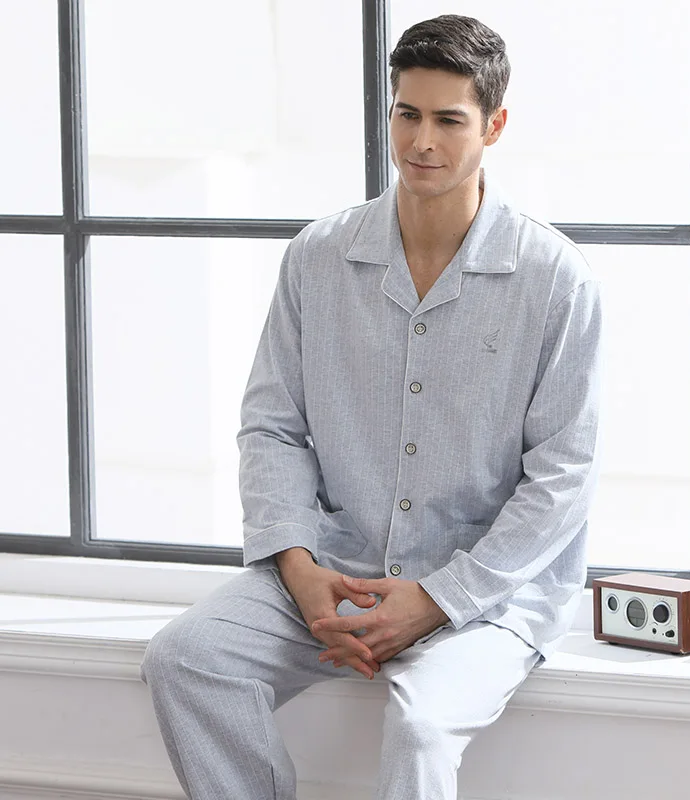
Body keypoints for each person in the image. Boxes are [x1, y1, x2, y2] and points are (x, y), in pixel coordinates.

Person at [141, 14, 602, 800]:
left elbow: (563, 479)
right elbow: (272, 428)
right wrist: (300, 571)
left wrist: (437, 599)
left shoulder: (555, 279)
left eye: (448, 120)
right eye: (406, 114)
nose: (421, 141)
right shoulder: (318, 258)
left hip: (485, 596)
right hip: (335, 572)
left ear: (493, 126)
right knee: (186, 659)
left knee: (420, 730)